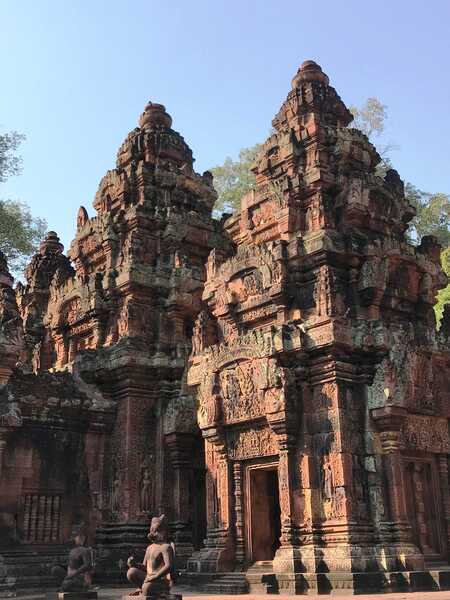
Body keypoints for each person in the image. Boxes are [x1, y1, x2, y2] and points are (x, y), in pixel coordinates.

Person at [126, 515, 177, 597]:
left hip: (161, 580)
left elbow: (168, 566)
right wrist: (134, 564)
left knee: (147, 588)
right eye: (153, 531)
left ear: (164, 533)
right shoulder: (149, 548)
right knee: (131, 572)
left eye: (158, 531)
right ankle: (142, 588)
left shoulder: (166, 547)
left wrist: (156, 576)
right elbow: (145, 567)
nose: (155, 534)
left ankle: (161, 590)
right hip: (150, 577)